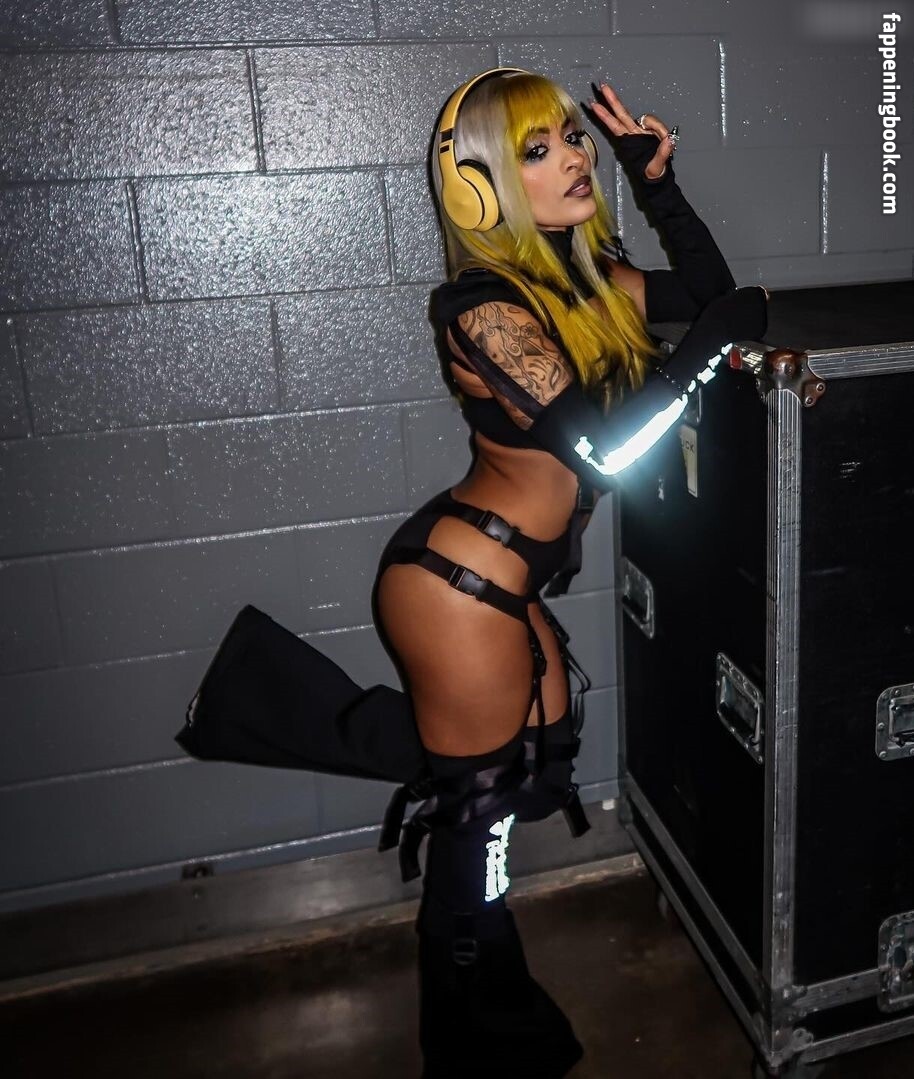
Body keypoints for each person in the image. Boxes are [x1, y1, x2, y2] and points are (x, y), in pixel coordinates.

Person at [176, 67, 768, 1078]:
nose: (575, 157)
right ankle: (474, 1044)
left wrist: (658, 185)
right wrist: (702, 355)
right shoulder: (481, 308)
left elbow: (712, 293)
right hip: (457, 586)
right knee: (477, 826)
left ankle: (267, 703)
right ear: (478, 185)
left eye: (573, 139)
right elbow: (607, 451)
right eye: (538, 148)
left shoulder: (585, 280)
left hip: (507, 581)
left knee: (533, 765)